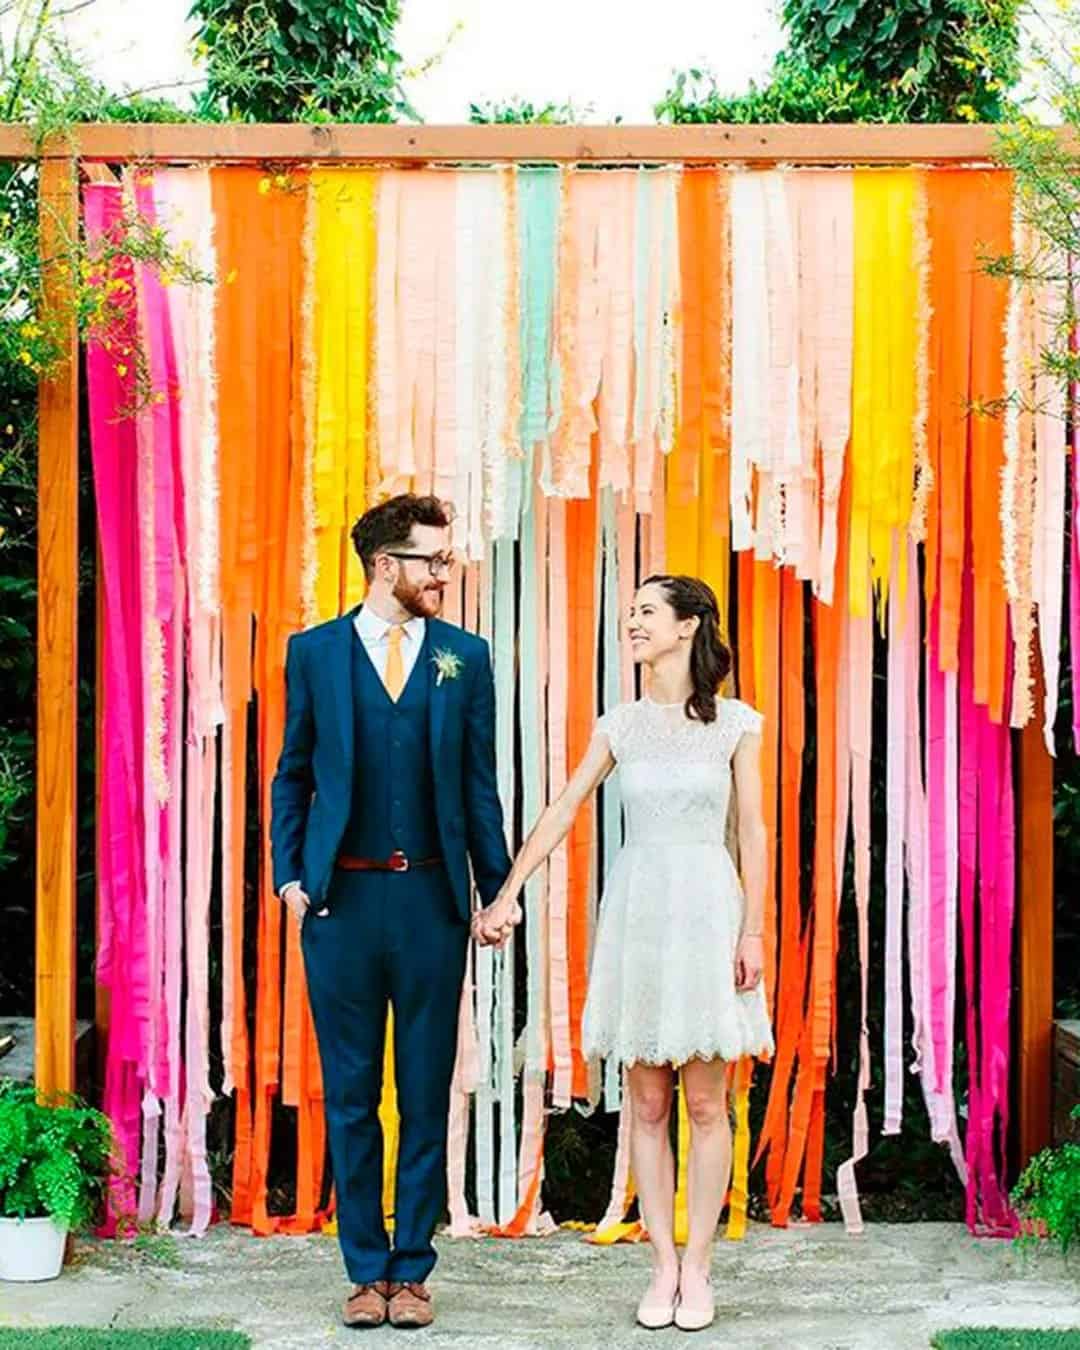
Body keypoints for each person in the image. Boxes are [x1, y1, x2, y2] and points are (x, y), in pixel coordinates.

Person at [476, 573, 774, 1333]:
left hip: (708, 912)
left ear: (688, 626)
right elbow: (564, 808)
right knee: (646, 1101)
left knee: (706, 1102)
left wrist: (754, 931)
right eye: (630, 612)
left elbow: (756, 832)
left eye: (646, 612)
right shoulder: (621, 725)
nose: (632, 623)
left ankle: (700, 1267)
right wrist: (509, 893)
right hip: (639, 917)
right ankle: (663, 1267)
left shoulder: (737, 724)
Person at [270, 493, 511, 1331]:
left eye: (445, 561)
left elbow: (480, 788)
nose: (443, 574)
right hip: (340, 904)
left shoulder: (464, 658)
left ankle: (413, 1269)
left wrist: (498, 890)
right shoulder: (315, 653)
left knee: (422, 1092)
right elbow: (292, 774)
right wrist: (290, 877)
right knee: (348, 1093)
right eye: (431, 560)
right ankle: (364, 1270)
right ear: (385, 566)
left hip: (432, 904)